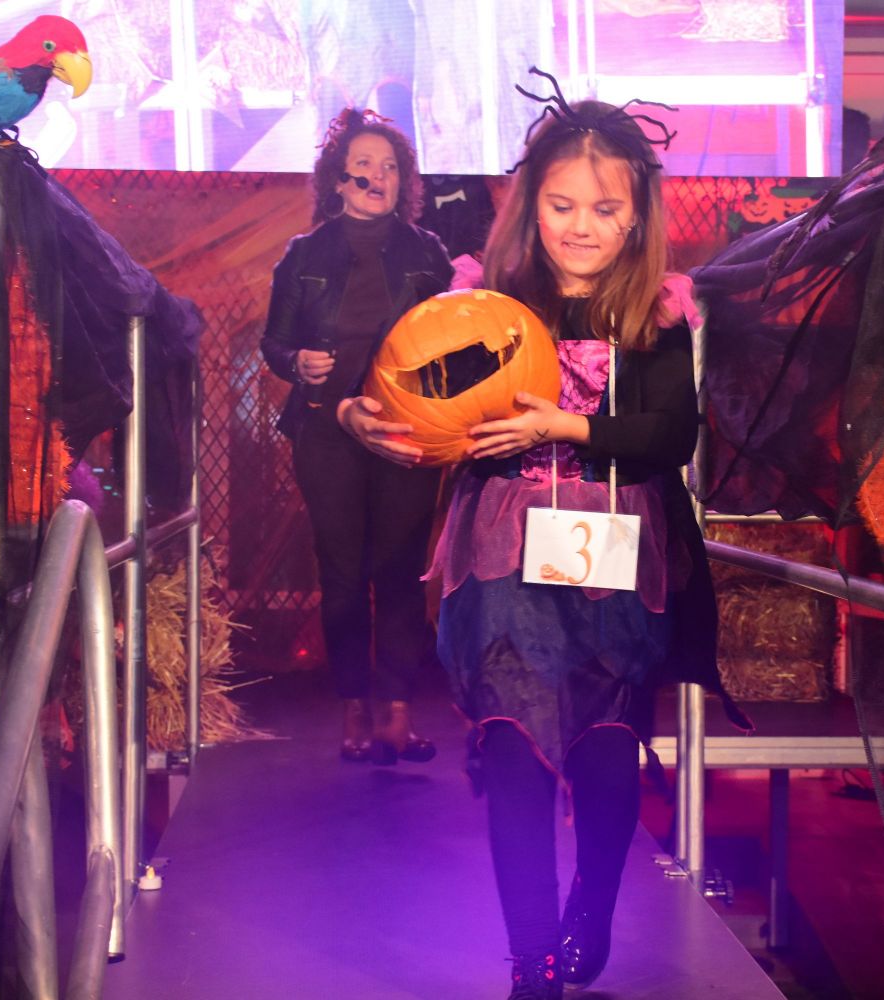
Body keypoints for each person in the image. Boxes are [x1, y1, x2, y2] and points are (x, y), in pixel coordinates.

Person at [338, 76, 745, 1000]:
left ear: (636, 216)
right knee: (512, 747)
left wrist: (566, 426)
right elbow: (402, 384)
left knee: (604, 748)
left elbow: (672, 437)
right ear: (533, 205)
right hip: (502, 549)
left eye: (604, 209)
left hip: (614, 551)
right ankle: (531, 961)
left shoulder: (655, 316)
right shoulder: (482, 296)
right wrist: (359, 414)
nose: (581, 227)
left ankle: (590, 909)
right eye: (562, 206)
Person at [261, 107, 453, 764]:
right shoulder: (304, 254)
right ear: (338, 180)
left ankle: (398, 712)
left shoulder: (428, 252)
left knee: (401, 569)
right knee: (343, 573)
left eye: (390, 166)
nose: (379, 176)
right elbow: (274, 341)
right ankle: (354, 709)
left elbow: (454, 334)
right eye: (364, 165)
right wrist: (296, 363)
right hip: (325, 429)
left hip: (407, 425)